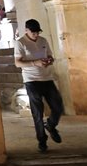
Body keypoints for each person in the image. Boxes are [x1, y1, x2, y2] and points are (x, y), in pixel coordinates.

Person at [15, 19, 64, 153]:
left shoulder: (43, 41)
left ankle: (51, 125)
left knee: (58, 106)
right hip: (31, 80)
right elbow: (18, 63)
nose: (36, 35)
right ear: (26, 30)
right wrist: (35, 63)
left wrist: (49, 60)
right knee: (38, 112)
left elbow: (50, 56)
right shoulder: (20, 43)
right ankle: (42, 141)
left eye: (37, 32)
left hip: (47, 78)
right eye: (33, 33)